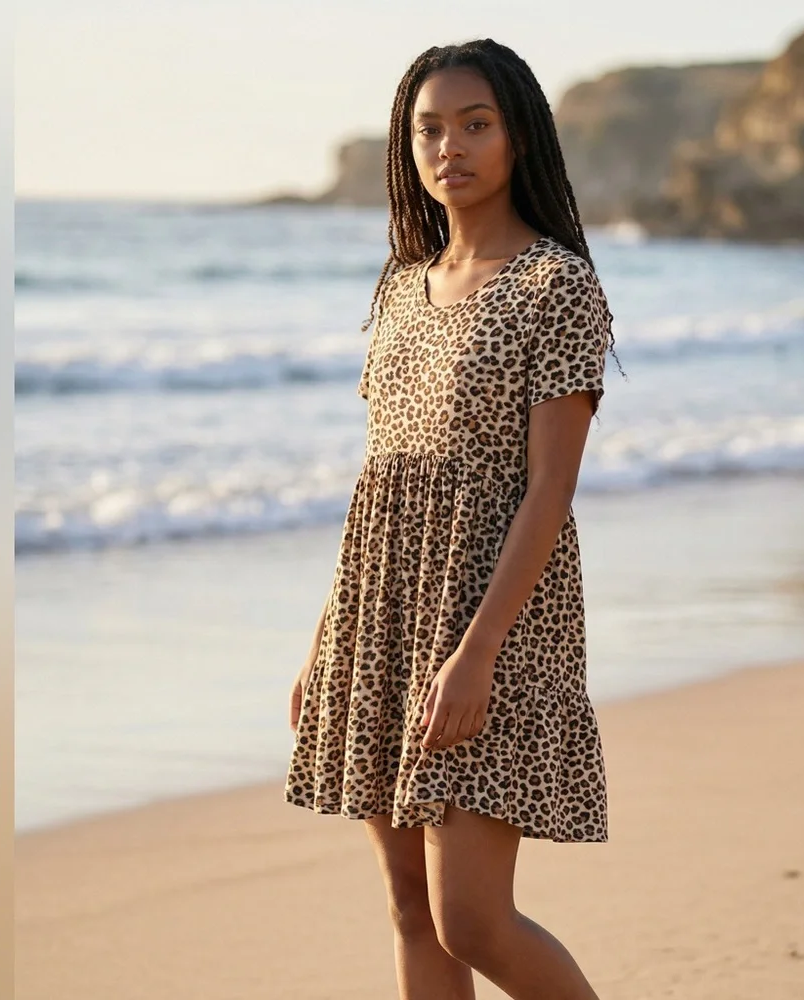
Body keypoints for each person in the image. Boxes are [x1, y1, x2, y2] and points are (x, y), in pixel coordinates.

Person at [284, 38, 625, 1000]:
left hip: (497, 621)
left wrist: (475, 653)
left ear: (519, 137)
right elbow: (381, 480)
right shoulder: (400, 285)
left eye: (476, 125)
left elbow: (548, 491)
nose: (451, 148)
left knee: (469, 917)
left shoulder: (557, 287)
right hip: (384, 609)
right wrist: (328, 643)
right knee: (408, 908)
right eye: (430, 129)